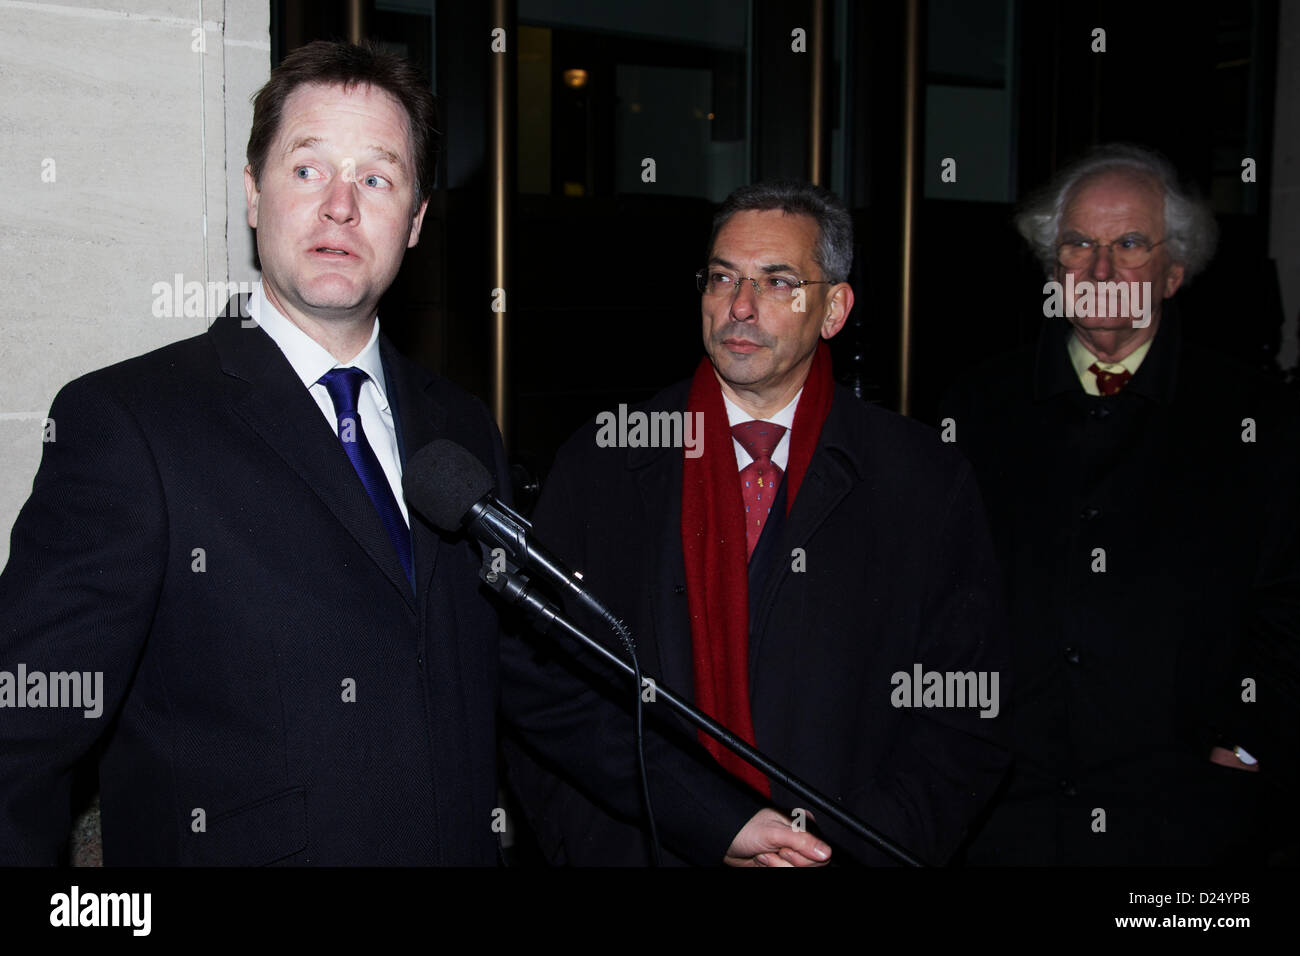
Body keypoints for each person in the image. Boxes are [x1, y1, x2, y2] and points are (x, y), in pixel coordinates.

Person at [0, 42, 826, 867]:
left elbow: (533, 687)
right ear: (252, 192)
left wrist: (718, 819)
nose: (339, 207)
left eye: (377, 179)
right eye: (307, 169)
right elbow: (20, 739)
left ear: (417, 219)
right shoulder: (132, 425)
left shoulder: (457, 429)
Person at [503, 181, 1011, 866]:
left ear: (834, 310)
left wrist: (839, 855)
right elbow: (541, 689)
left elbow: (965, 713)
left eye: (777, 283)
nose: (740, 307)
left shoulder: (921, 481)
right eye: (722, 278)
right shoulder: (605, 462)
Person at [941, 143, 1300, 865]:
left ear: (1174, 271)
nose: (1101, 271)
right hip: (1005, 815)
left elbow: (1292, 603)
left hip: (1185, 821)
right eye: (1079, 244)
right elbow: (935, 594)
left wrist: (1247, 742)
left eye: (1130, 244)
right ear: (1054, 270)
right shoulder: (975, 407)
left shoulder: (1256, 417)